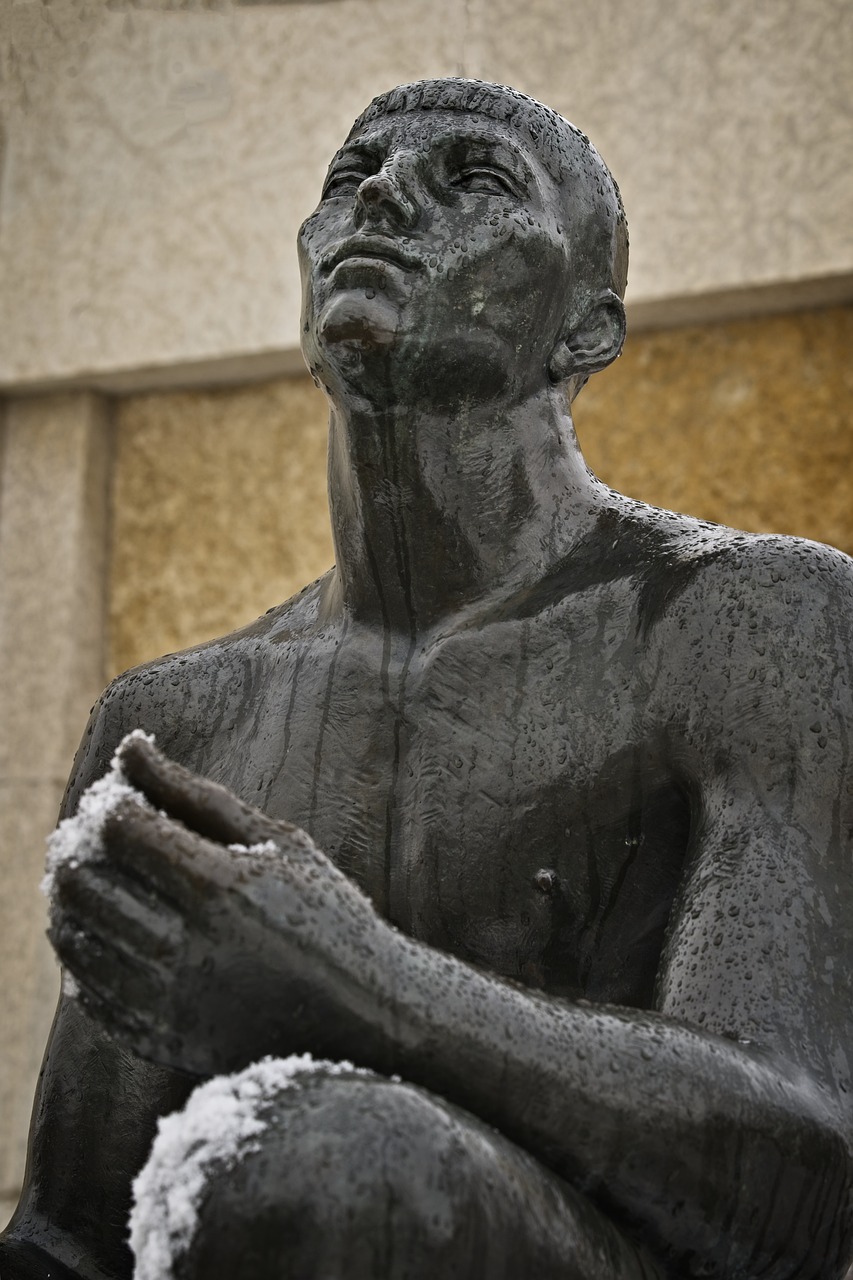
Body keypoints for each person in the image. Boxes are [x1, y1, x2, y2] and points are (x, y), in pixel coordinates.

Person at [2, 78, 852, 1279]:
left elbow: (805, 1177)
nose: (385, 192)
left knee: (340, 1159)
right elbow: (69, 1238)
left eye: (476, 178)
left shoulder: (750, 619)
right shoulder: (173, 721)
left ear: (585, 329)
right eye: (350, 177)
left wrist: (350, 978)